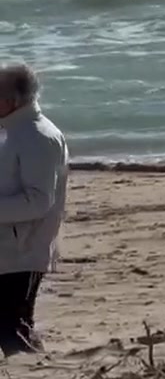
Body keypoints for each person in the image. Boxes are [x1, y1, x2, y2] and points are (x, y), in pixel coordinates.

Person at [0, 63, 68, 356]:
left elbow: (39, 201)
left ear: (10, 101)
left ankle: (40, 368)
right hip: (9, 247)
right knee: (10, 325)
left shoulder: (38, 136)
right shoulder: (13, 130)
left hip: (23, 250)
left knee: (12, 328)